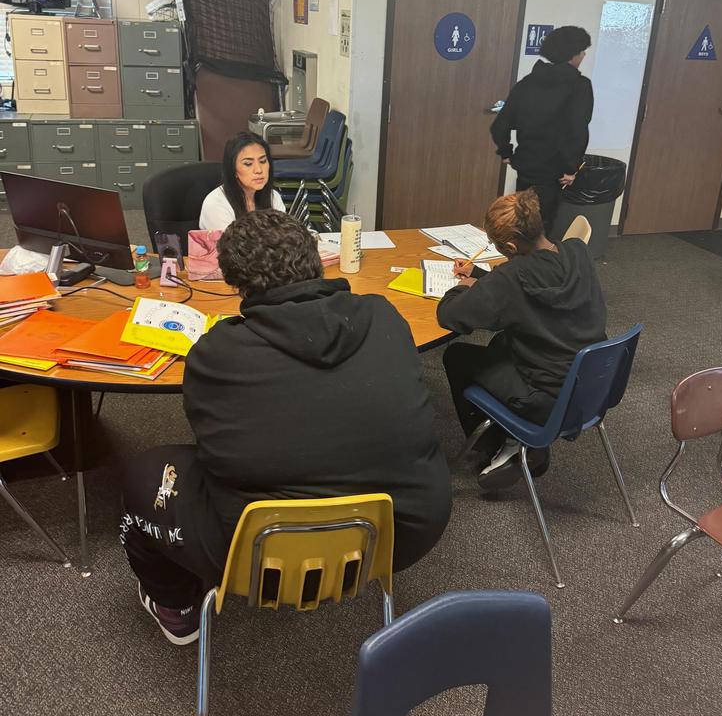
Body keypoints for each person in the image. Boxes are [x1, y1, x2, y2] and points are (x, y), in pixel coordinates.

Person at [120, 210, 452, 645]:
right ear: (315, 260)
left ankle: (177, 608)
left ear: (236, 283)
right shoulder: (383, 316)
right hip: (400, 535)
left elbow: (211, 448)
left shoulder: (217, 351)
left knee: (144, 474)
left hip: (257, 557)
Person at [437, 189, 607, 491]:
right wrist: (481, 276)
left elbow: (450, 315)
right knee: (502, 343)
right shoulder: (577, 251)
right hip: (593, 385)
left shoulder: (512, 278)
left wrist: (463, 287)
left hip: (546, 398)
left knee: (457, 355)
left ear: (512, 246)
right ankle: (513, 441)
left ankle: (503, 444)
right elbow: (527, 285)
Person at [490, 25, 593, 233]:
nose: (583, 56)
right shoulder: (579, 86)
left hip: (526, 164)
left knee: (522, 220)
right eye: (582, 51)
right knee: (543, 225)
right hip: (554, 170)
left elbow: (500, 124)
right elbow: (577, 129)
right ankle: (539, 254)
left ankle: (517, 253)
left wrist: (506, 152)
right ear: (573, 54)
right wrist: (571, 168)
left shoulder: (528, 82)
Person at [199, 131, 285, 231]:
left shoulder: (273, 197)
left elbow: (285, 236)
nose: (258, 170)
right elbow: (228, 241)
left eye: (263, 161)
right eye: (248, 164)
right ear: (233, 169)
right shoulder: (216, 204)